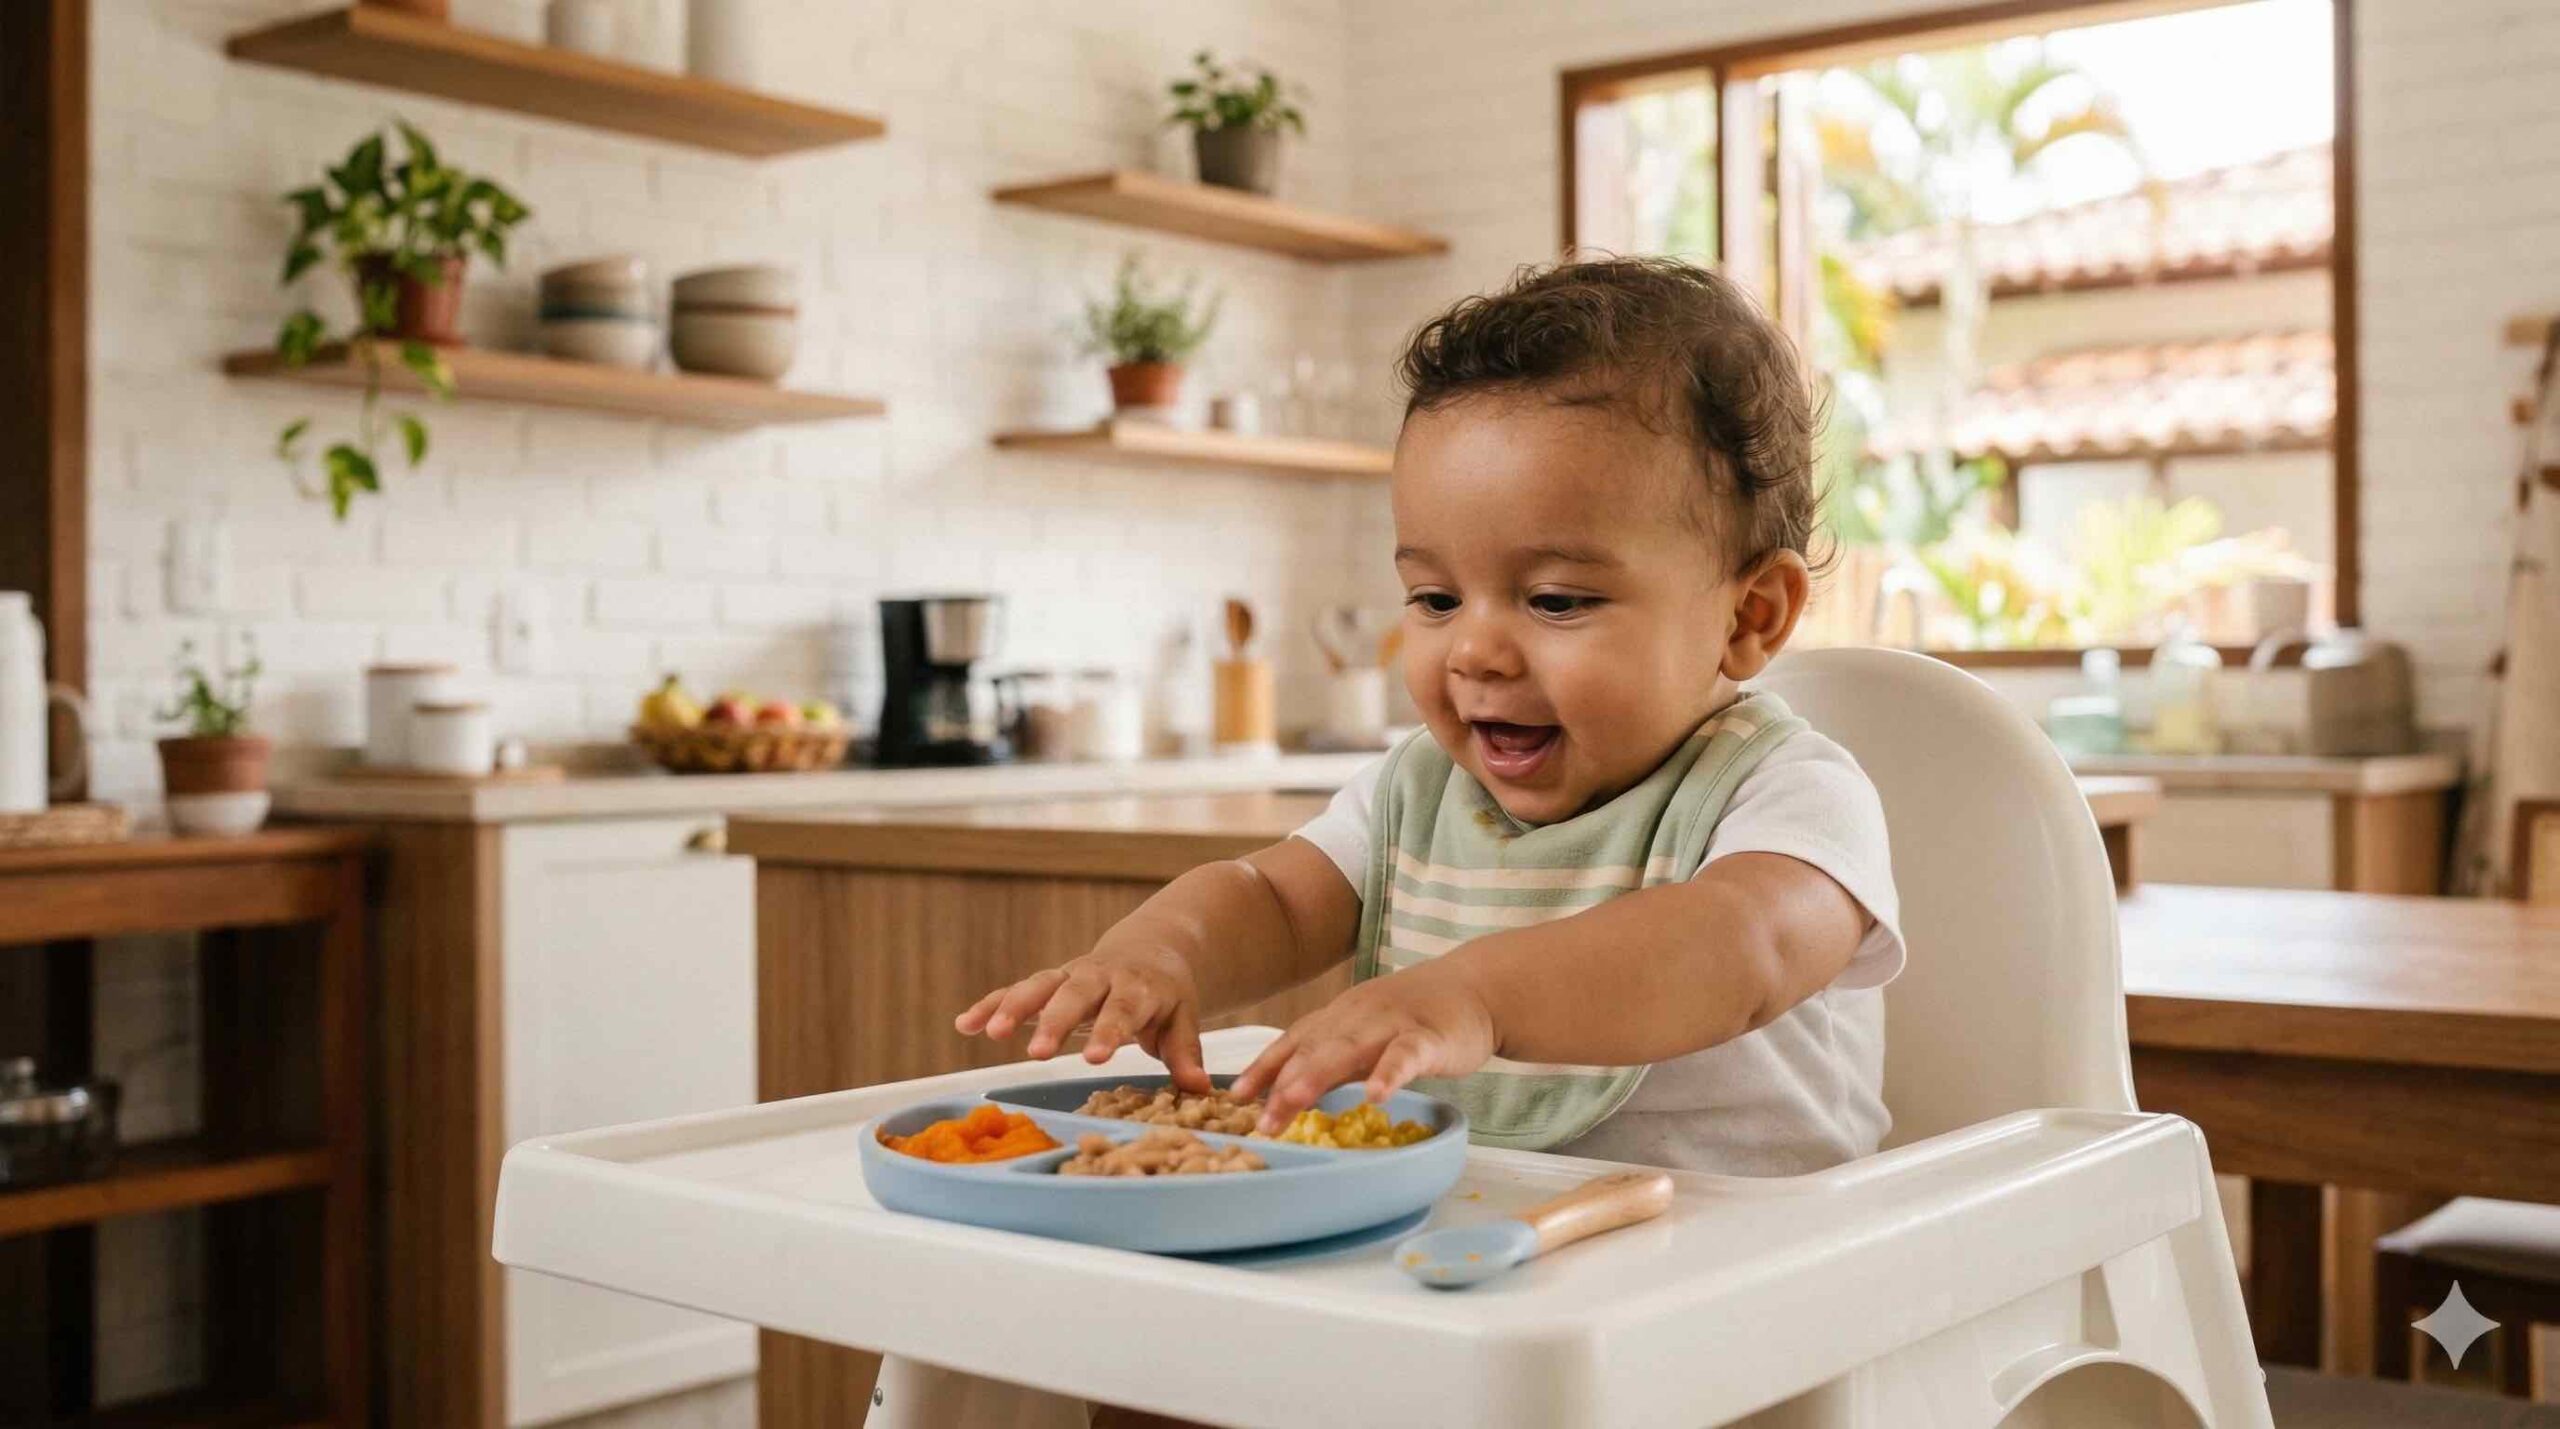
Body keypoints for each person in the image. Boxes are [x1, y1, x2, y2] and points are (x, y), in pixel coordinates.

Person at [958, 256, 1904, 1176]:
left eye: (1558, 600)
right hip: (1463, 1253)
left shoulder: (1788, 793)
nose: (1474, 652)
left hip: (1749, 1280)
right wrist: (1159, 953)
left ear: (1750, 616)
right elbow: (1275, 897)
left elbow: (1740, 948)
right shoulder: (1419, 795)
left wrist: (1476, 996)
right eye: (1436, 599)